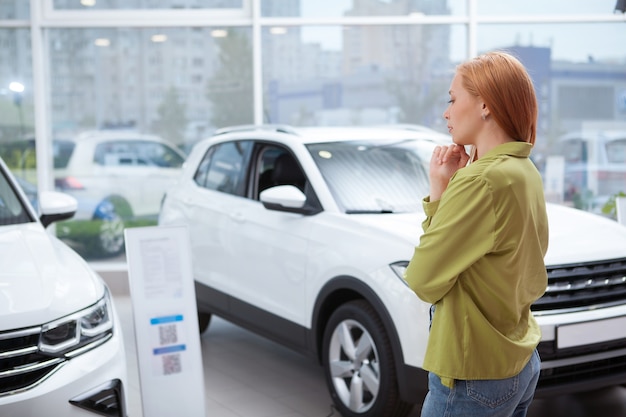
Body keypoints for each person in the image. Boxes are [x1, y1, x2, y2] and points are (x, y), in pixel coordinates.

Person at [404, 51, 549, 417]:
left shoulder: (481, 180)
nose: (446, 112)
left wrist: (440, 192)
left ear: (485, 104)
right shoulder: (523, 170)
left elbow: (423, 279)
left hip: (474, 374)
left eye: (453, 99)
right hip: (519, 361)